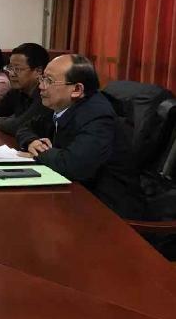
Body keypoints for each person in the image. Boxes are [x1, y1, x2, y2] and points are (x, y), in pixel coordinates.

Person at [16, 54, 144, 219]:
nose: (41, 86)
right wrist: (31, 141)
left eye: (48, 80)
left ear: (77, 90)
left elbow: (73, 165)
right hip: (74, 194)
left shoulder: (98, 116)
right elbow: (25, 127)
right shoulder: (61, 105)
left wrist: (40, 152)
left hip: (108, 211)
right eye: (42, 79)